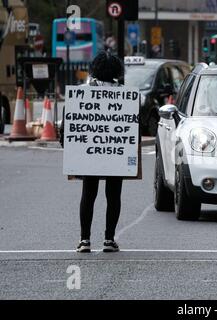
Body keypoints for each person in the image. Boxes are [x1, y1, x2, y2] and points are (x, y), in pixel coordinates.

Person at [61, 51, 126, 253]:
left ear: (94, 69)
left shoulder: (82, 91)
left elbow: (68, 122)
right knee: (113, 194)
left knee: (89, 194)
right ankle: (109, 239)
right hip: (116, 150)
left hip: (89, 151)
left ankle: (84, 240)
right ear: (117, 70)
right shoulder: (125, 93)